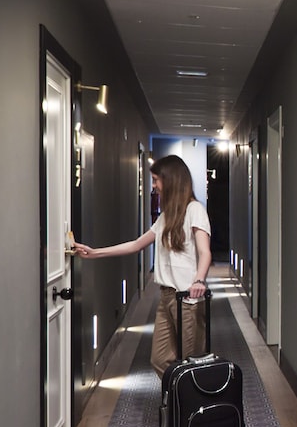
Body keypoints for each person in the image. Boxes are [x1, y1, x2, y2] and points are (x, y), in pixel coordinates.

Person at [74, 154, 211, 383]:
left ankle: (191, 403)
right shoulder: (166, 216)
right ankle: (179, 397)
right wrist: (95, 252)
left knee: (192, 363)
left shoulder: (195, 210)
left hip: (188, 299)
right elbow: (136, 244)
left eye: (156, 180)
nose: (154, 186)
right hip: (167, 296)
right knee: (160, 359)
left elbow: (205, 251)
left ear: (171, 179)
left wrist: (199, 280)